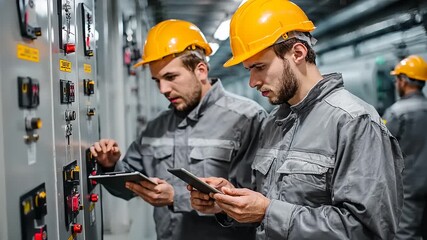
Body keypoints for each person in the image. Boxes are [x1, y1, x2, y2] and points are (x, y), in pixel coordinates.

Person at [189, 0, 404, 239]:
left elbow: (368, 230)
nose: (252, 82)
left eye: (259, 67)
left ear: (298, 53)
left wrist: (268, 212)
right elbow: (267, 199)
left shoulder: (354, 122)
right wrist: (229, 202)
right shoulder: (272, 124)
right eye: (249, 69)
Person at [90, 19, 266, 240]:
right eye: (157, 81)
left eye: (171, 77)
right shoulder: (156, 128)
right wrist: (110, 165)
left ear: (200, 70)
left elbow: (257, 201)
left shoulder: (246, 118)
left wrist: (176, 197)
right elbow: (129, 187)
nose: (163, 89)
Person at [382, 55, 427, 240]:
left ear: (403, 81)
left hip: (407, 188)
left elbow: (381, 150)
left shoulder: (396, 113)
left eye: (396, 79)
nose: (395, 83)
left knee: (404, 235)